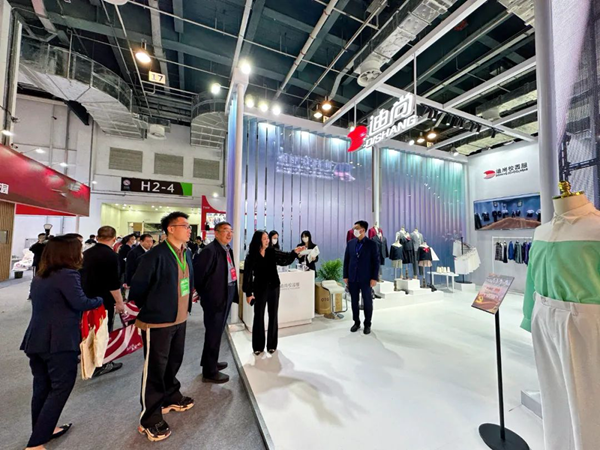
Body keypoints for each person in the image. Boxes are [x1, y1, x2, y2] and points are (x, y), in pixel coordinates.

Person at [21, 236, 103, 450]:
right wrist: (99, 300)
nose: (81, 254)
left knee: (42, 386)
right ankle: (36, 443)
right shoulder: (68, 275)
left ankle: (42, 430)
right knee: (60, 387)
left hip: (36, 338)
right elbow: (80, 302)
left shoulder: (41, 274)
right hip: (59, 341)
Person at [129, 212, 195, 442]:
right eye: (184, 225)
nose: (189, 229)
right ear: (170, 229)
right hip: (158, 321)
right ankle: (149, 418)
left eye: (189, 226)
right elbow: (138, 289)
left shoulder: (186, 253)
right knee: (155, 368)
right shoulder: (154, 256)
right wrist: (154, 308)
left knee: (174, 361)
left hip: (179, 318)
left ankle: (170, 396)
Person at [244, 231, 304, 355]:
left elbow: (285, 258)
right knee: (258, 315)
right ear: (258, 240)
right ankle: (258, 346)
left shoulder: (272, 251)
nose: (268, 241)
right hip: (259, 288)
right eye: (264, 238)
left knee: (273, 315)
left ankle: (272, 345)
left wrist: (294, 252)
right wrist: (248, 293)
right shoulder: (251, 255)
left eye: (268, 238)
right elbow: (247, 275)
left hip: (274, 287)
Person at [193, 222, 238, 383]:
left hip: (226, 294)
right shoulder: (210, 250)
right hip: (215, 298)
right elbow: (199, 276)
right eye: (225, 231)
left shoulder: (226, 249)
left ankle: (210, 362)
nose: (229, 234)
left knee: (217, 332)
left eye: (231, 231)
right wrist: (207, 295)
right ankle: (209, 371)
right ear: (216, 233)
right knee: (213, 332)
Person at [81, 226, 125, 377]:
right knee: (103, 332)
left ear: (97, 237)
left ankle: (88, 359)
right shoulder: (111, 256)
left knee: (89, 330)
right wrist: (119, 302)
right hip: (104, 301)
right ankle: (101, 363)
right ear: (114, 239)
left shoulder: (86, 254)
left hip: (87, 299)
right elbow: (113, 283)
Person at [343, 221, 380, 335]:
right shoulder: (350, 243)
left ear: (362, 230)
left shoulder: (371, 244)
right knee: (354, 301)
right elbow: (346, 260)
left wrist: (374, 278)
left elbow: (376, 262)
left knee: (367, 301)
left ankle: (367, 324)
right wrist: (345, 276)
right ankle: (356, 322)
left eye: (356, 228)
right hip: (353, 277)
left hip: (366, 278)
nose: (353, 231)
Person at [28, 233, 47, 300]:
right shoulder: (36, 245)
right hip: (37, 264)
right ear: (38, 238)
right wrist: (39, 243)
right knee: (36, 279)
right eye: (41, 237)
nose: (43, 239)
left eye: (44, 237)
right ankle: (32, 294)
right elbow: (31, 249)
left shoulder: (47, 245)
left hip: (46, 264)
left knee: (46, 279)